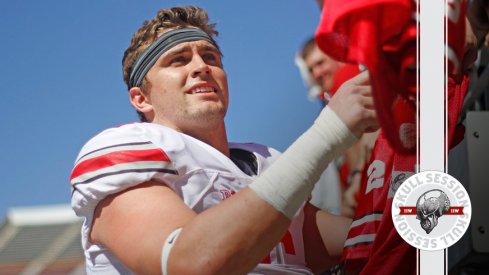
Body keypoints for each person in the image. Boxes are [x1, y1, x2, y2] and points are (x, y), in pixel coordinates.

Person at [69, 6, 378, 275]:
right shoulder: (128, 146)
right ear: (141, 99)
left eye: (210, 57)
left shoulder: (266, 161)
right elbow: (189, 263)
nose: (201, 67)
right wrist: (329, 131)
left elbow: (362, 241)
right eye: (178, 60)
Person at [298, 37, 378, 218]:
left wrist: (356, 180)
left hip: (367, 184)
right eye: (311, 69)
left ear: (337, 58)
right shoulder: (327, 97)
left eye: (320, 63)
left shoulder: (346, 77)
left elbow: (358, 128)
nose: (317, 73)